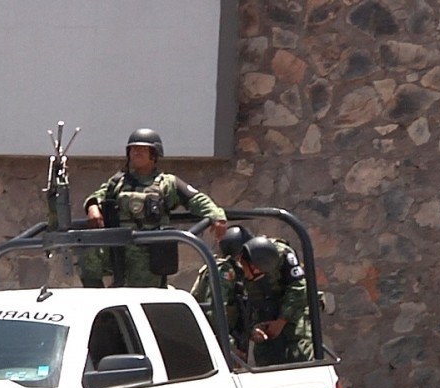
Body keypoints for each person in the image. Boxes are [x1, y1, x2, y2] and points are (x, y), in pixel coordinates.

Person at [79, 128, 227, 287]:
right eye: (134, 149)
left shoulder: (167, 183)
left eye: (143, 149)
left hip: (148, 255)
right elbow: (98, 196)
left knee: (142, 298)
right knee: (89, 254)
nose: (137, 153)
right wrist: (92, 206)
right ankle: (97, 298)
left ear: (154, 154)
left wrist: (216, 215)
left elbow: (196, 199)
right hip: (118, 250)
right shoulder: (117, 182)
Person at [238, 236, 314, 366]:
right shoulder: (235, 268)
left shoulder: (280, 253)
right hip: (263, 318)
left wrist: (281, 321)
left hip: (291, 316)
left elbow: (299, 288)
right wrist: (252, 330)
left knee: (299, 357)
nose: (250, 276)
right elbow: (237, 307)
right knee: (266, 362)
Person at [191, 225, 253, 356]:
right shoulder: (224, 271)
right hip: (211, 343)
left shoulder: (235, 272)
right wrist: (230, 347)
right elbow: (215, 312)